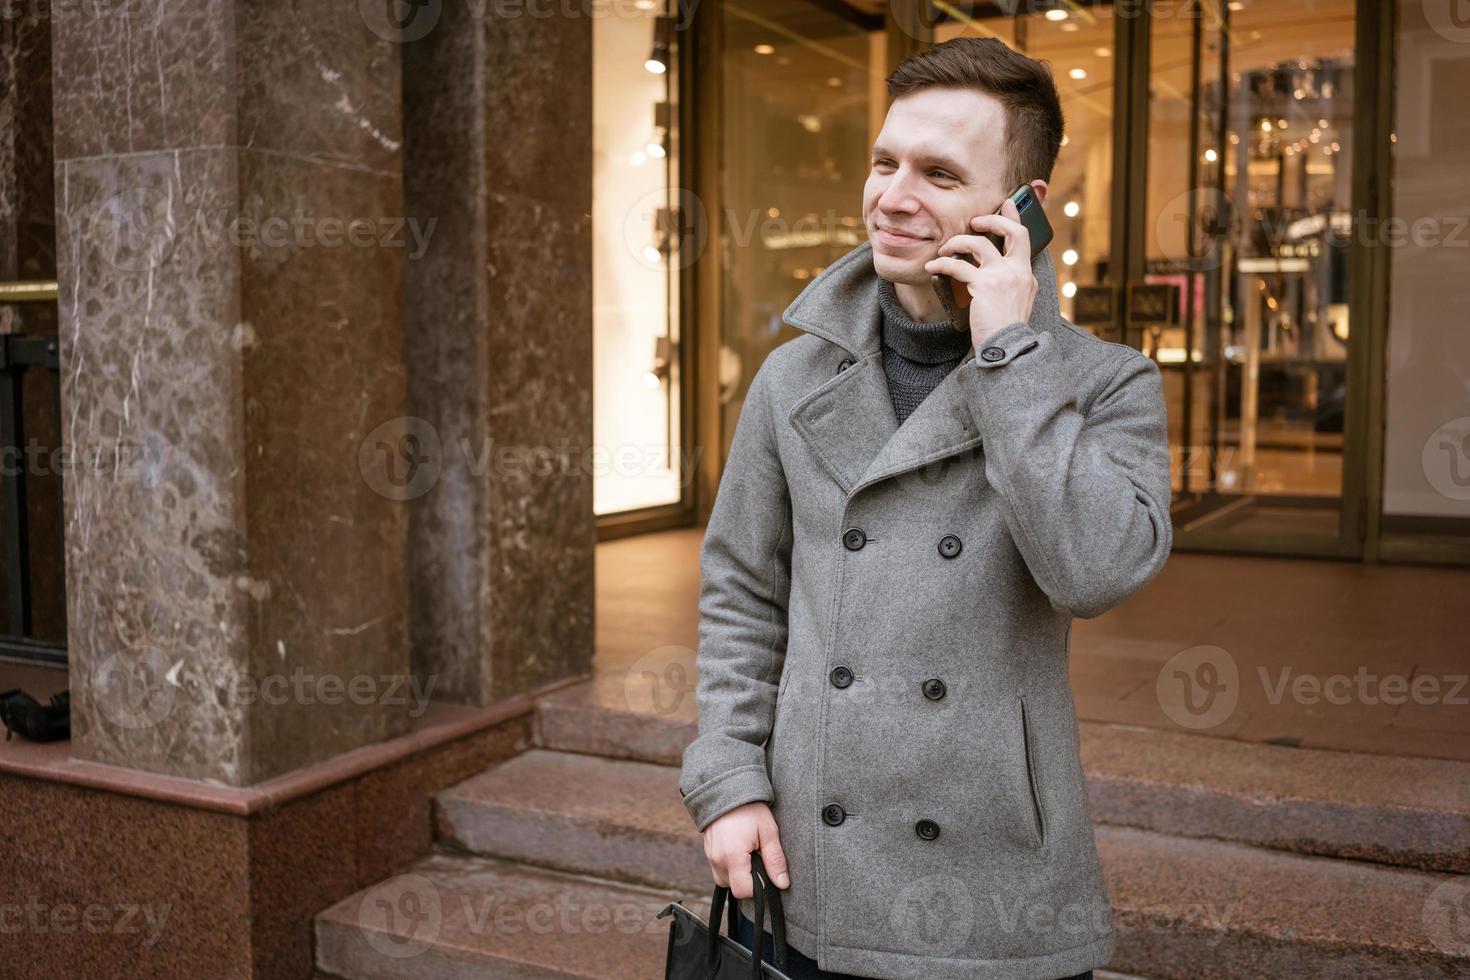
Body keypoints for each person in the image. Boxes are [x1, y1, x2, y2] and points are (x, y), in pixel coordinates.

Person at [679, 35, 1173, 980]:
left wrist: (1008, 355)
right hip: (812, 863)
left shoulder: (1105, 384)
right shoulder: (795, 377)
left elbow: (1097, 571)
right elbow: (743, 588)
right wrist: (728, 781)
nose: (893, 195)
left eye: (939, 173)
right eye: (884, 161)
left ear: (1018, 209)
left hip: (997, 876)